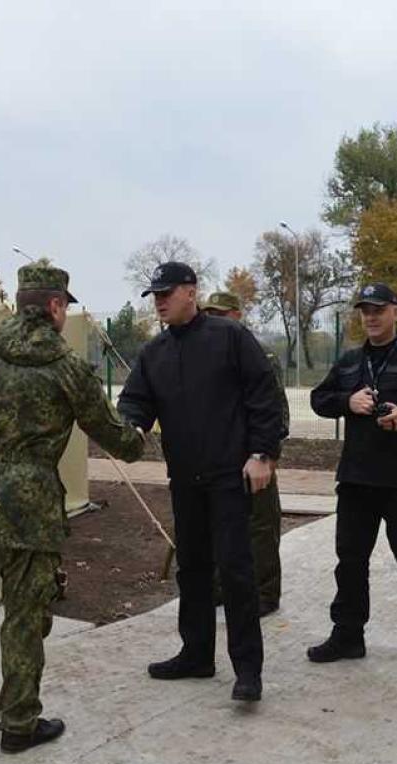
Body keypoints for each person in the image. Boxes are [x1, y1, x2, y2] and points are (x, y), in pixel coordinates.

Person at [0, 263, 145, 753]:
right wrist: (136, 440)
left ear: (20, 303)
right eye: (65, 306)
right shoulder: (69, 368)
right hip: (31, 513)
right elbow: (110, 433)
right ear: (56, 306)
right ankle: (17, 724)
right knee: (23, 619)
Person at [118, 262, 285, 703]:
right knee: (192, 569)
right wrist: (129, 427)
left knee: (235, 570)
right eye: (154, 295)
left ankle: (248, 670)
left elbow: (264, 396)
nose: (159, 301)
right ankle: (196, 654)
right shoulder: (154, 353)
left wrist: (262, 454)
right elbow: (134, 404)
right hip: (185, 480)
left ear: (191, 291)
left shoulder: (229, 338)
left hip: (231, 477)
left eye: (166, 292)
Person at [306, 282, 397, 663]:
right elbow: (319, 399)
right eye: (365, 311)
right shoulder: (350, 362)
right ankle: (348, 635)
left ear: (395, 311)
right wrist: (347, 401)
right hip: (357, 478)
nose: (371, 317)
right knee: (350, 559)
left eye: (378, 309)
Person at [200, 290, 290, 616]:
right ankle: (221, 588)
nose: (213, 320)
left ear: (237, 316)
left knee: (262, 526)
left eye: (220, 314)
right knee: (219, 524)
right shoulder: (206, 353)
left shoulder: (260, 354)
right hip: (219, 457)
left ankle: (265, 593)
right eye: (209, 314)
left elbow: (276, 408)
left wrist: (268, 453)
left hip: (255, 453)